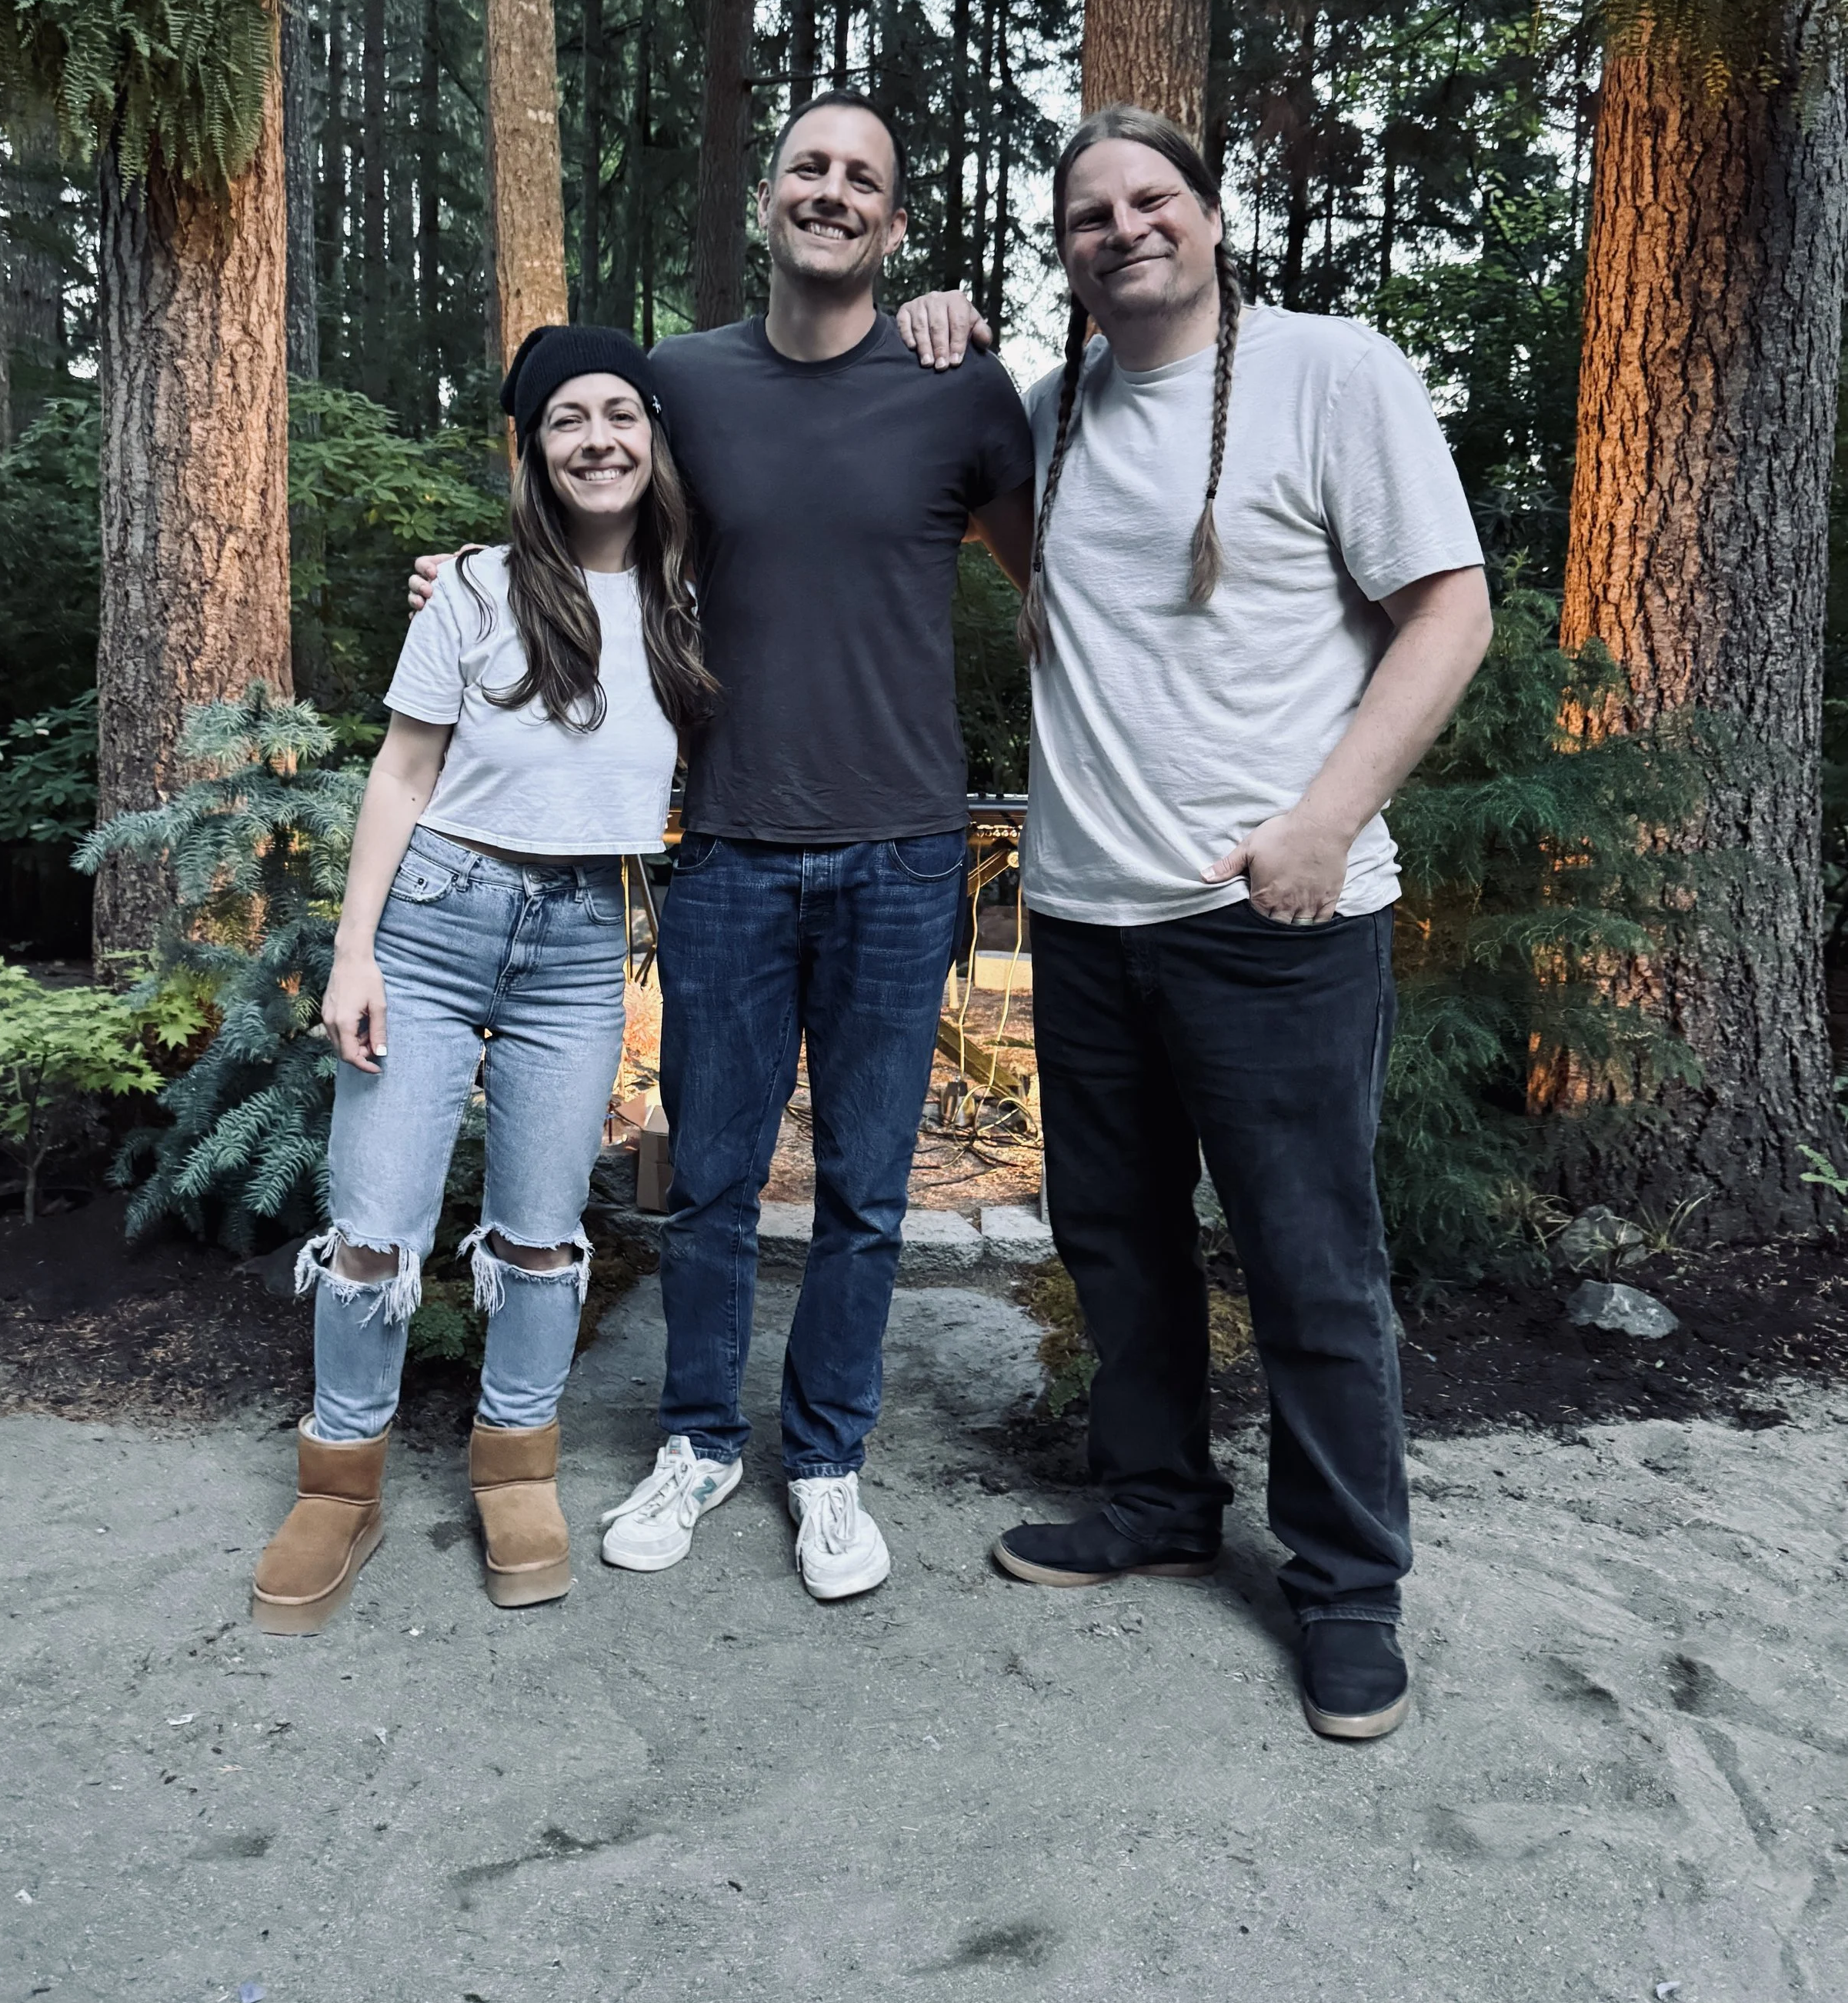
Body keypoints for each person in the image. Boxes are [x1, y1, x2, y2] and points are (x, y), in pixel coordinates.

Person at [413, 92, 1035, 1605]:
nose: (830, 192)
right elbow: (586, 492)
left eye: (863, 180)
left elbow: (1049, 587)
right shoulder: (681, 380)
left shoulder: (958, 387)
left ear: (894, 224)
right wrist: (478, 578)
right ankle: (698, 1437)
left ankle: (825, 1457)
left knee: (870, 1186)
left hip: (900, 850)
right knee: (705, 1181)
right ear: (767, 196)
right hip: (726, 847)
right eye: (808, 167)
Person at [946, 105, 1492, 1741]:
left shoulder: (1334, 374)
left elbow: (1447, 608)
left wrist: (1323, 820)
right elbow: (1029, 556)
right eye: (1087, 213)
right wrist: (943, 354)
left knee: (1306, 1262)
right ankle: (1154, 1498)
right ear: (1064, 249)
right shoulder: (1049, 411)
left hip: (1275, 915)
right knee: (1111, 1238)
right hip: (1088, 914)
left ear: (1207, 214)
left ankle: (1344, 1587)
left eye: (1151, 197)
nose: (1123, 228)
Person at [250, 328, 711, 1636]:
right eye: (567, 419)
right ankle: (340, 1482)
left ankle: (518, 1462)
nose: (598, 438)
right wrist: (354, 953)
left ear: (653, 437)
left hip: (578, 940)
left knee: (543, 1230)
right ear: (535, 450)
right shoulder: (474, 589)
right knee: (372, 1227)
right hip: (437, 920)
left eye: (621, 412)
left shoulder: (692, 597)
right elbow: (400, 771)